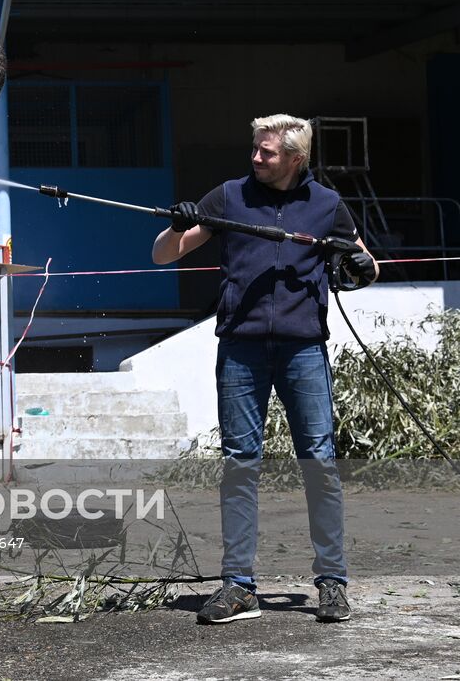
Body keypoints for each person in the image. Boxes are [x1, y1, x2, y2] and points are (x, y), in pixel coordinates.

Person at [151, 114, 377, 625]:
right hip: (240, 350)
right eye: (254, 148)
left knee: (318, 461)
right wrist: (178, 224)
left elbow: (368, 262)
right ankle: (238, 585)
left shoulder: (327, 206)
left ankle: (332, 584)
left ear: (296, 159)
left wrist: (361, 266)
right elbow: (163, 255)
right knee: (239, 465)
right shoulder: (228, 197)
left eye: (267, 152)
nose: (256, 158)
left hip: (303, 352)